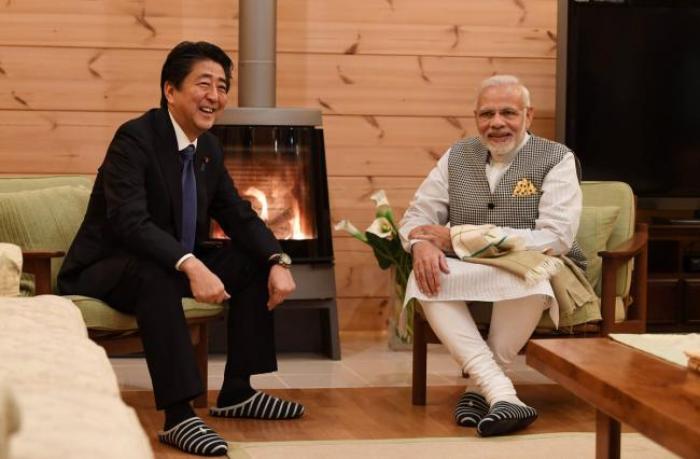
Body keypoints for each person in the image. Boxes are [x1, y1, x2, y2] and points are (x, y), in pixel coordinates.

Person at [58, 41, 303, 457]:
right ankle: (178, 415)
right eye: (203, 83)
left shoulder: (208, 148)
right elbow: (130, 221)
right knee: (159, 273)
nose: (215, 96)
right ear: (170, 90)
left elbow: (237, 213)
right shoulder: (135, 139)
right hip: (108, 266)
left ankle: (238, 391)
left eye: (222, 86)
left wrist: (277, 259)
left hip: (169, 259)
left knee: (251, 264)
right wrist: (189, 263)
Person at [399, 75, 586, 437]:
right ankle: (502, 395)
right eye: (486, 114)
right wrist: (421, 245)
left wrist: (459, 238)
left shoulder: (557, 157)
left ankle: (480, 389)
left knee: (532, 274)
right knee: (423, 277)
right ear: (476, 118)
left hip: (537, 263)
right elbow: (416, 217)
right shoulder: (456, 156)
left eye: (508, 113)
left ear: (528, 115)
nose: (496, 122)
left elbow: (556, 237)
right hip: (473, 267)